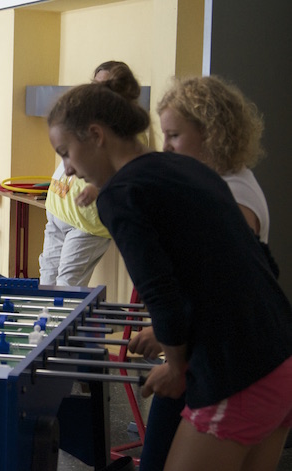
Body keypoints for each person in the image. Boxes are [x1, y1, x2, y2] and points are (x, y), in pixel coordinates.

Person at [47, 76, 292, 470]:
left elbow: (160, 292)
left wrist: (176, 368)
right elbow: (260, 263)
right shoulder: (182, 168)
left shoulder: (121, 195)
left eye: (66, 153)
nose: (69, 169)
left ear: (95, 135)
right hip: (280, 354)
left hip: (238, 371)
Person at [130, 75, 272, 471]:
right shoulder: (217, 183)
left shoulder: (234, 195)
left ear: (211, 133)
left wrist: (171, 341)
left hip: (224, 365)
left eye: (174, 135)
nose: (166, 146)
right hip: (209, 357)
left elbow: (227, 295)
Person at [39, 61, 139, 287]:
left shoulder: (125, 131)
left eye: (106, 87)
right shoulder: (83, 118)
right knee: (47, 279)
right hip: (58, 211)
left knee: (67, 284)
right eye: (95, 85)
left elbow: (121, 171)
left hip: (86, 223)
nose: (98, 92)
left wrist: (96, 187)